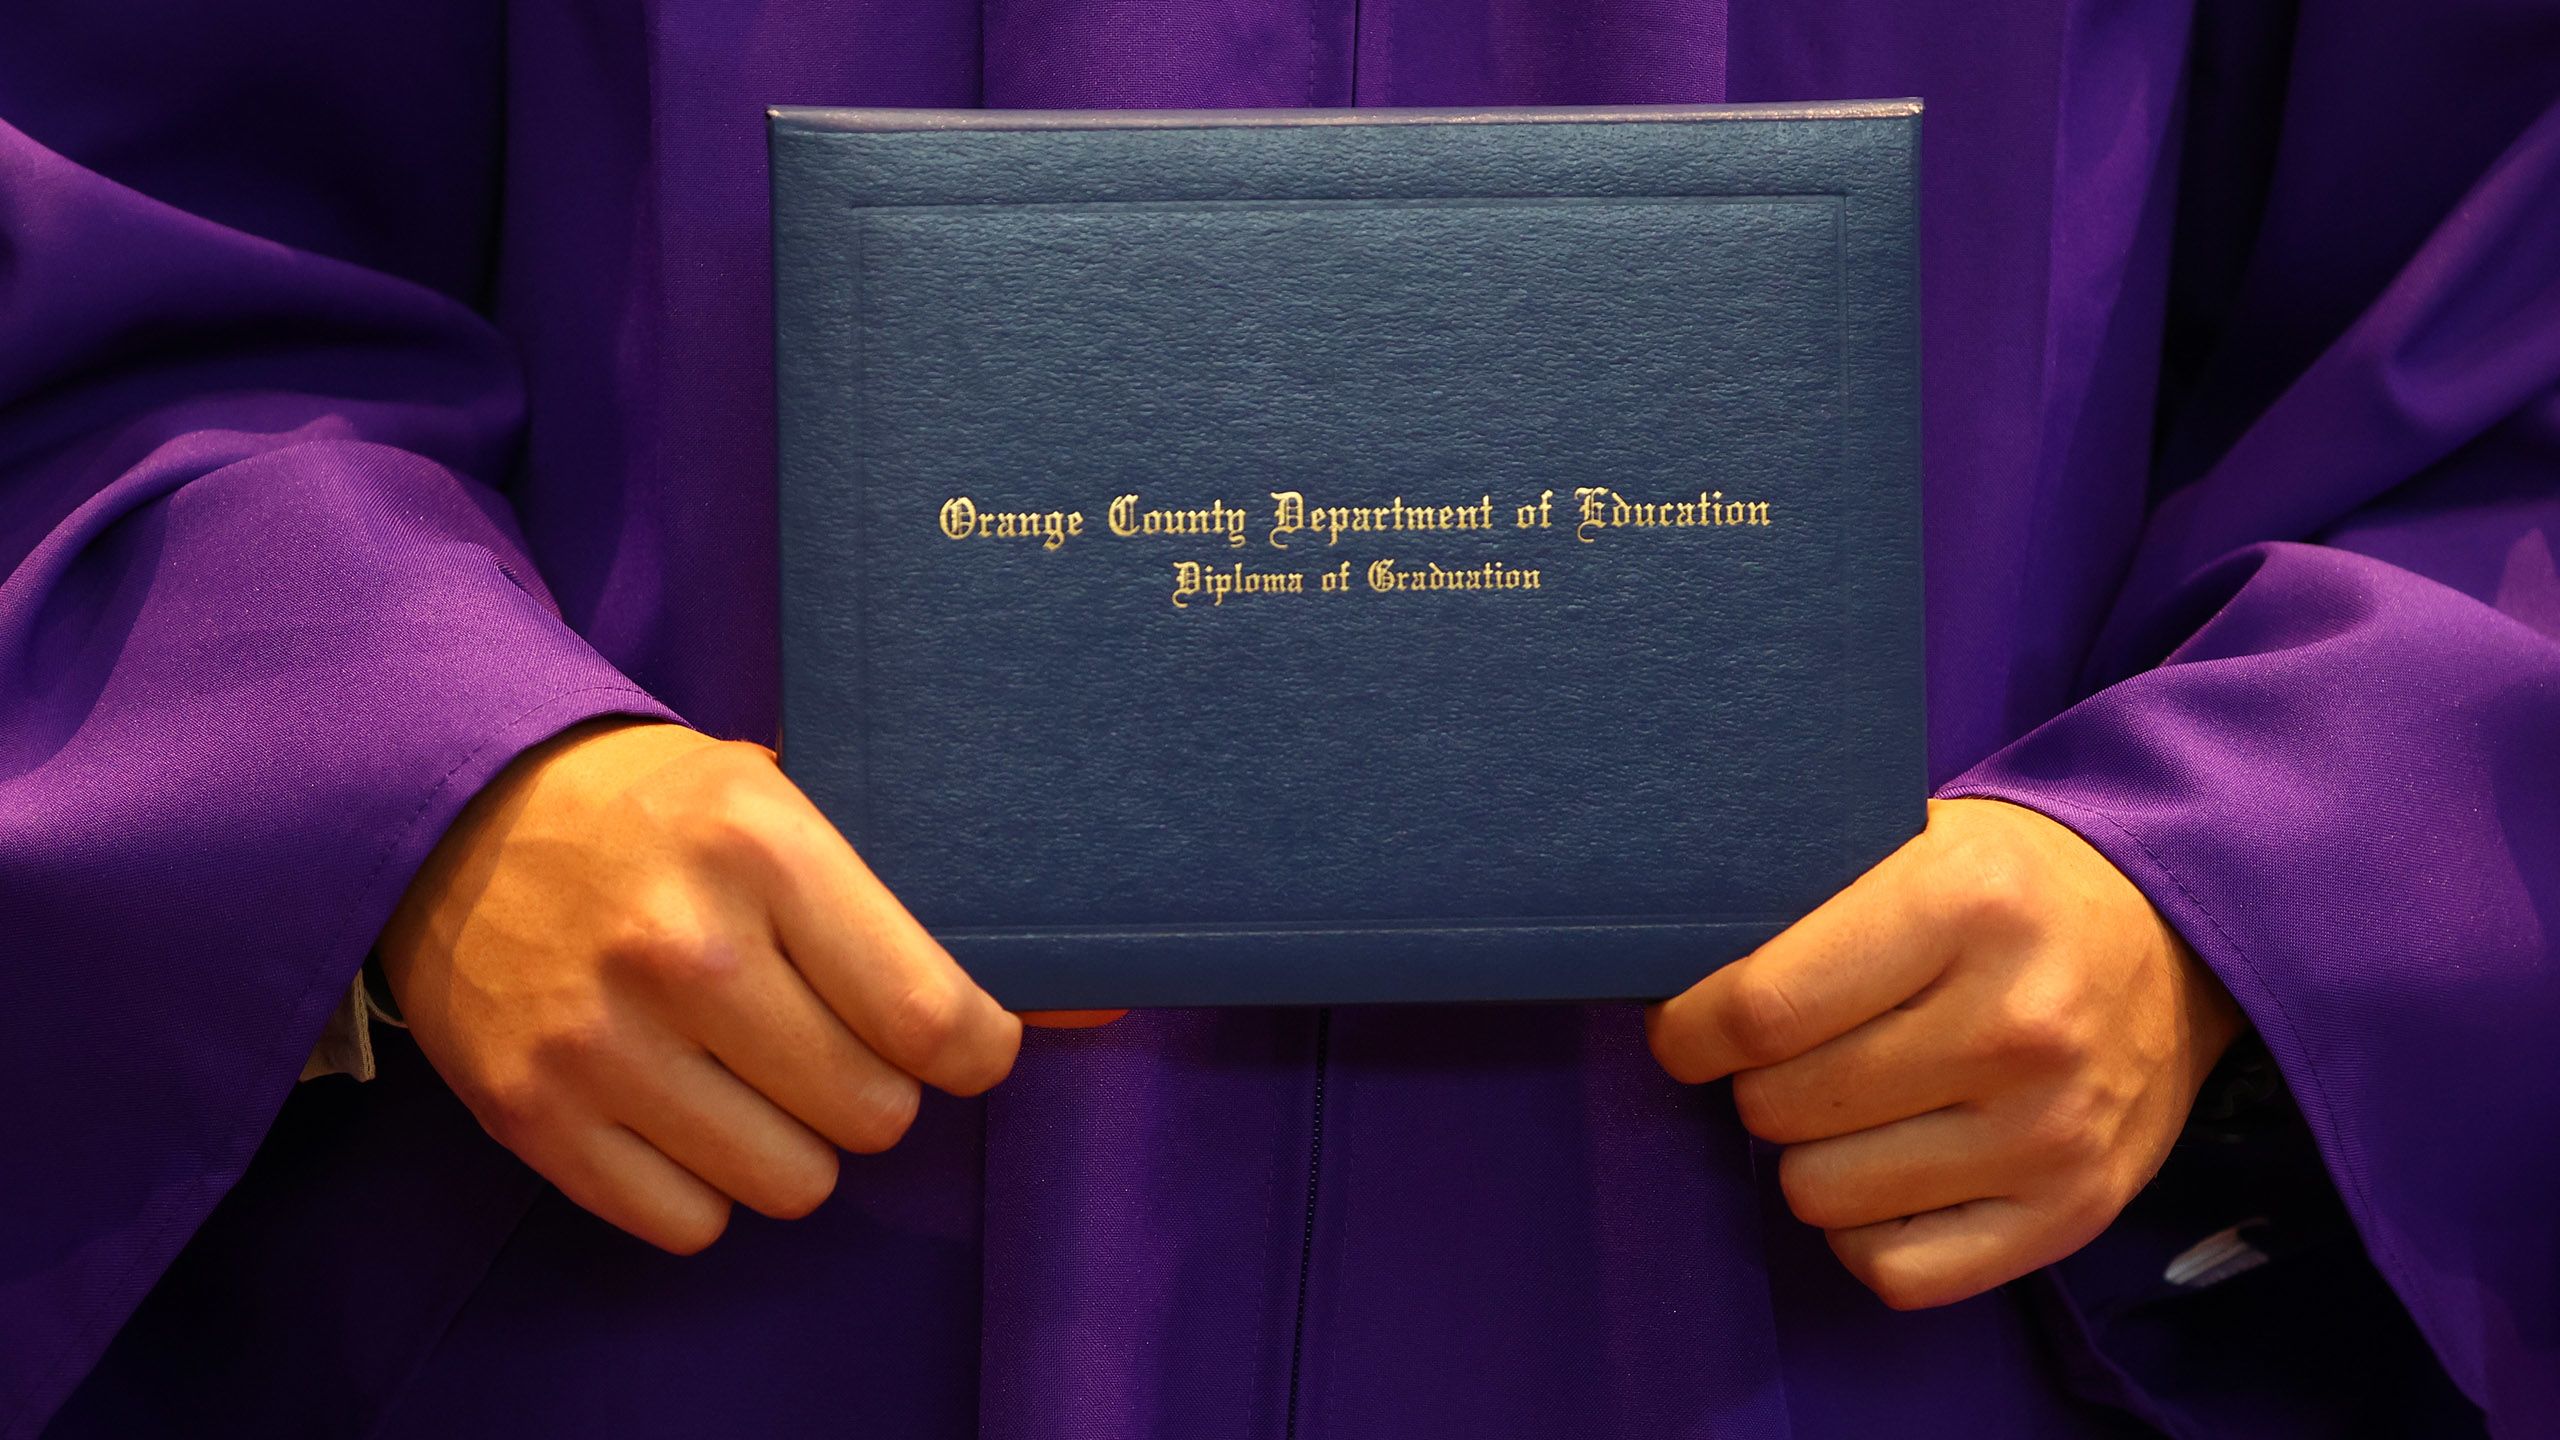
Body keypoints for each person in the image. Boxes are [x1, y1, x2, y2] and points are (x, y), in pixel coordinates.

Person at [2, 0, 2554, 1435]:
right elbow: (108, 258)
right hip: (657, 1297)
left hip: (1864, 1305)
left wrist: (2230, 886)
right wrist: (414, 781)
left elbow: (2495, 356)